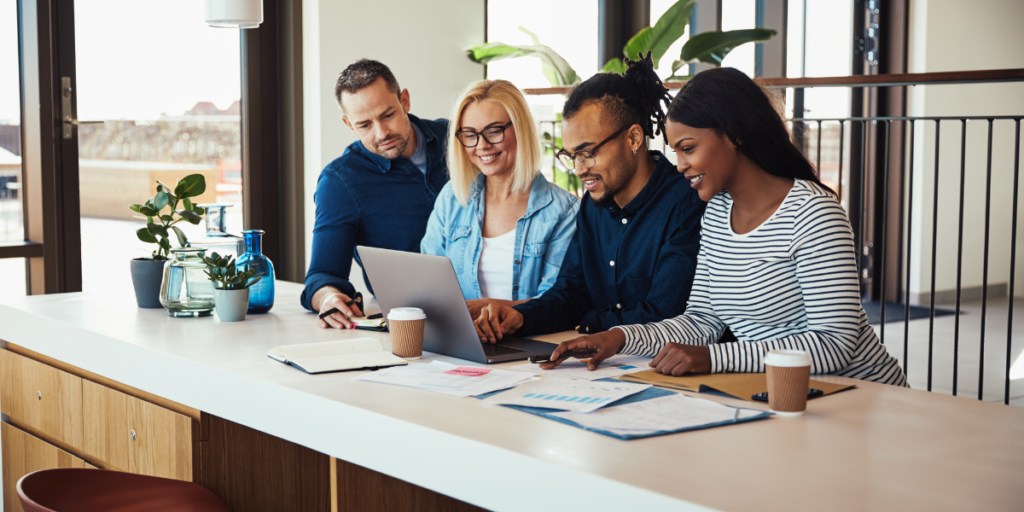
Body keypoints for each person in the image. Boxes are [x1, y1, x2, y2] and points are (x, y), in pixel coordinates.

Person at [540, 67, 908, 386]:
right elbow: (702, 321)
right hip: (782, 392)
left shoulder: (813, 213)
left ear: (733, 134)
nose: (679, 165)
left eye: (687, 148)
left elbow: (835, 344)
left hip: (862, 392)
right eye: (675, 151)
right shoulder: (716, 213)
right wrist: (620, 337)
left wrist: (715, 358)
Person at [474, 54, 706, 342]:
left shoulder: (686, 204)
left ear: (634, 138)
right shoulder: (592, 206)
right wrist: (521, 317)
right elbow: (571, 292)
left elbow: (663, 314)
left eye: (587, 153)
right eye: (571, 156)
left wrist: (589, 321)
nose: (579, 169)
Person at [301, 59, 449, 329]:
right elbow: (323, 275)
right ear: (348, 124)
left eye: (387, 115)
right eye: (365, 125)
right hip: (414, 322)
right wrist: (329, 296)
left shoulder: (459, 138)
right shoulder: (340, 181)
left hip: (497, 306)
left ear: (404, 100)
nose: (382, 133)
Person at [421, 80, 579, 318]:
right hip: (460, 339)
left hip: (530, 342)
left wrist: (486, 307)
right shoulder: (452, 199)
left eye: (494, 131)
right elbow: (427, 279)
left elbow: (556, 300)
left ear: (520, 128)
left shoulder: (564, 211)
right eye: (470, 134)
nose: (482, 146)